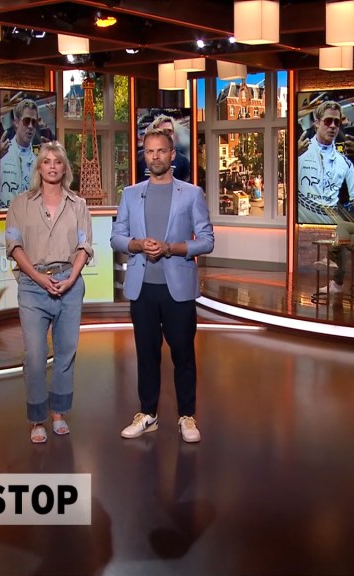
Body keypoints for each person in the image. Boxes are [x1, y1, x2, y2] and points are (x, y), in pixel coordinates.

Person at [111, 127, 214, 444]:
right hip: (142, 287)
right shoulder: (131, 194)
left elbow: (207, 240)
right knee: (146, 354)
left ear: (172, 155)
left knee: (183, 354)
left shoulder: (191, 194)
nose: (155, 156)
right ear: (145, 155)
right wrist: (137, 244)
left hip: (177, 287)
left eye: (161, 151)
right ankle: (148, 414)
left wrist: (171, 248)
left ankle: (187, 415)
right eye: (149, 151)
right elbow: (116, 237)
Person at [4, 142, 92, 444]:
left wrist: (71, 279)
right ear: (39, 167)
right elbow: (14, 246)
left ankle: (59, 414)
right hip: (33, 285)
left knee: (66, 353)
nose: (52, 166)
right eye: (46, 161)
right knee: (35, 355)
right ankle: (37, 418)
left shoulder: (78, 204)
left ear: (65, 168)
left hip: (69, 284)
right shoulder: (20, 204)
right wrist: (39, 277)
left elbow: (84, 247)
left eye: (57, 161)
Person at [297, 101, 354, 224]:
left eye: (337, 122)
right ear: (317, 123)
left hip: (333, 224)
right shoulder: (300, 153)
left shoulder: (345, 163)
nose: (333, 126)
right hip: (302, 225)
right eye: (328, 121)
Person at [0, 99, 40, 208]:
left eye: (34, 122)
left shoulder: (38, 161)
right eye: (26, 121)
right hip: (4, 216)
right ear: (16, 123)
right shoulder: (2, 153)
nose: (30, 126)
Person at [135, 115, 191, 182]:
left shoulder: (183, 161)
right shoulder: (139, 158)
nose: (167, 134)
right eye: (163, 131)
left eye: (169, 131)